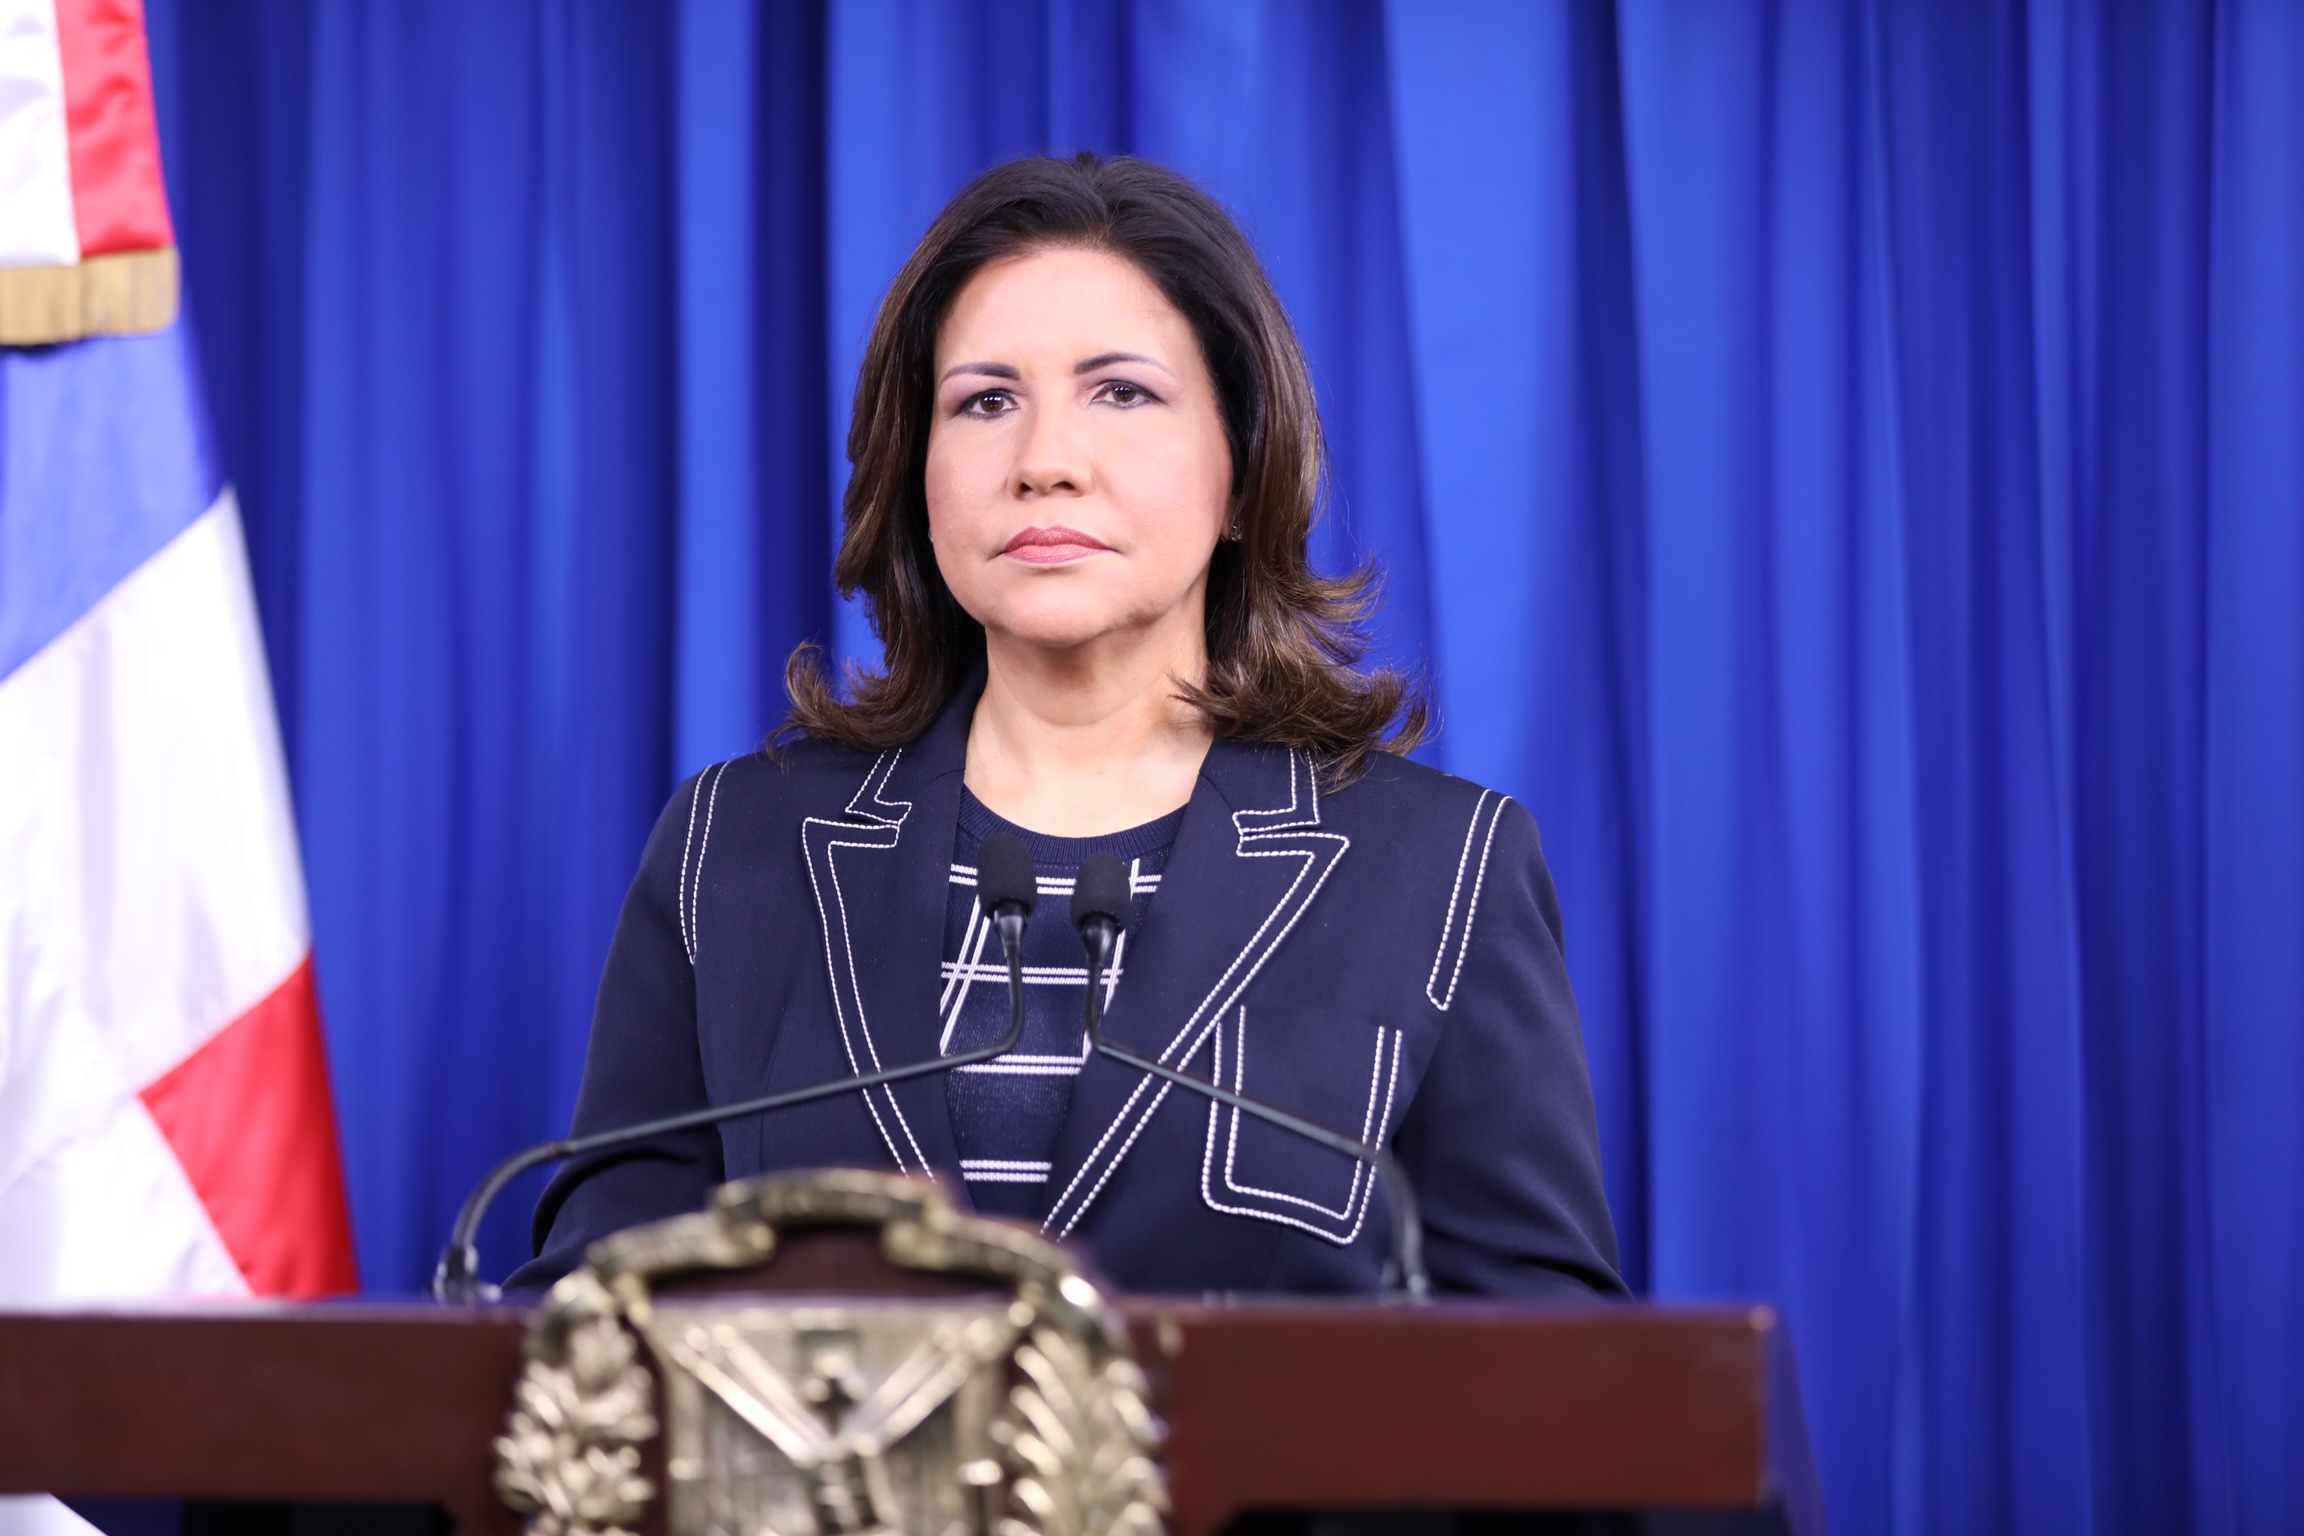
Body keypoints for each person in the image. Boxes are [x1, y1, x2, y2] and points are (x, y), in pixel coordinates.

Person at [512, 154, 1622, 1299]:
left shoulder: (1441, 871)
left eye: (1122, 393)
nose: (1044, 462)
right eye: (985, 402)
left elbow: (1550, 1357)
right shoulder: (731, 849)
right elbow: (587, 1323)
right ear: (917, 475)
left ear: (1244, 471)